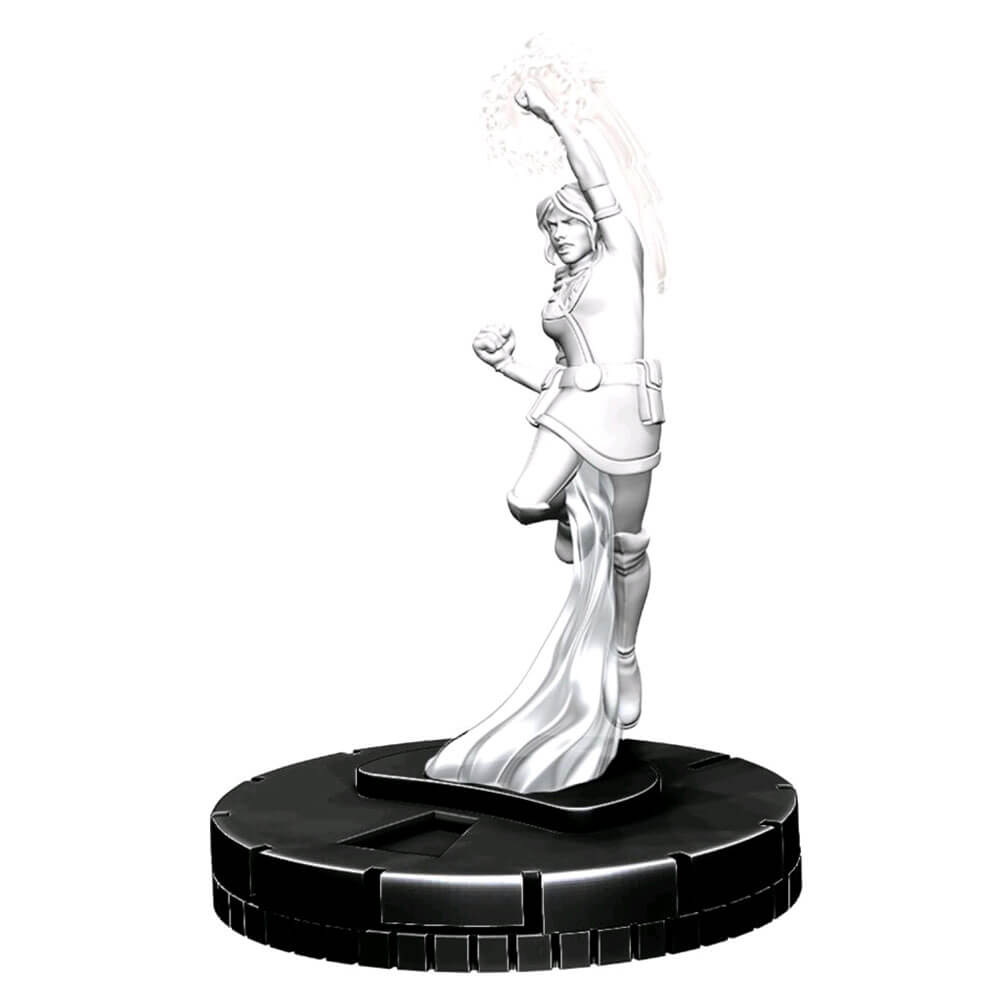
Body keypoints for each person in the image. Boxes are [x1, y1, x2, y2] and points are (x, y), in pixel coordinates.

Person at [424, 83, 663, 793]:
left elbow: (599, 179)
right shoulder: (562, 289)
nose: (557, 234)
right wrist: (508, 366)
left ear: (592, 222)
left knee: (628, 546)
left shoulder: (621, 258)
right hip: (571, 411)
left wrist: (556, 116)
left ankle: (624, 653)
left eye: (566, 222)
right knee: (526, 499)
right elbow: (563, 378)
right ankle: (573, 516)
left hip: (629, 414)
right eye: (549, 227)